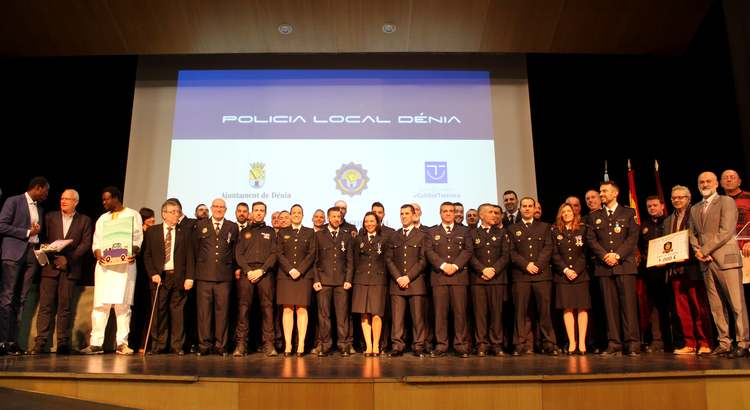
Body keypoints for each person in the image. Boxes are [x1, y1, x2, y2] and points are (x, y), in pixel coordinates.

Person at [690, 171, 749, 357]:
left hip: (726, 259)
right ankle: (724, 343)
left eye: (708, 181)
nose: (705, 184)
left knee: (736, 303)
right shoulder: (695, 208)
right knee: (716, 305)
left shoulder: (726, 201)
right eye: (701, 181)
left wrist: (704, 249)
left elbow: (726, 231)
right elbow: (692, 234)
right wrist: (698, 251)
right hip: (706, 261)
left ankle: (743, 342)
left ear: (717, 184)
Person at [80, 186, 143, 355]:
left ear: (116, 198)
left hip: (124, 266)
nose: (104, 202)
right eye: (103, 200)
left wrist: (133, 252)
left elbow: (137, 238)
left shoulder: (132, 214)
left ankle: (122, 343)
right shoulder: (102, 218)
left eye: (107, 199)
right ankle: (96, 343)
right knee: (101, 305)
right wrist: (99, 253)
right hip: (105, 268)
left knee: (122, 306)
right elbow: (97, 241)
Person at [30, 189, 92, 355]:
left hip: (69, 270)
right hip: (50, 268)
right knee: (45, 307)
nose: (63, 201)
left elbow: (85, 244)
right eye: (62, 198)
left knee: (64, 308)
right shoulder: (50, 217)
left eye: (67, 199)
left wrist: (68, 260)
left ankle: (63, 343)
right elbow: (43, 239)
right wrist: (45, 249)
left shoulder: (84, 220)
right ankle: (40, 343)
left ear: (75, 202)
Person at [586, 181, 641, 356]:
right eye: (600, 191)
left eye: (604, 191)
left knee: (628, 306)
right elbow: (591, 240)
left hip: (624, 265)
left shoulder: (628, 212)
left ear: (615, 193)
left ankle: (632, 343)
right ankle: (614, 342)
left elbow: (632, 238)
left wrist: (617, 255)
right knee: (609, 307)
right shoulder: (595, 216)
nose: (601, 194)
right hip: (604, 267)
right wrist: (605, 256)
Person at [0, 177, 49, 355]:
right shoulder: (13, 201)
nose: (46, 195)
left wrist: (40, 244)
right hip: (13, 254)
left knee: (21, 299)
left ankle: (13, 341)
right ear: (37, 188)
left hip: (31, 254)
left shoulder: (40, 209)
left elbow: (36, 233)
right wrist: (27, 232)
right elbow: (1, 225)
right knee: (7, 297)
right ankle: (2, 341)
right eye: (45, 191)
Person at [664, 185, 712, 355]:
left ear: (688, 198)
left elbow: (702, 239)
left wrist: (689, 255)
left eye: (681, 197)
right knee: (682, 309)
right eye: (674, 198)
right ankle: (689, 343)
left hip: (693, 267)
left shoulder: (697, 213)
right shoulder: (668, 220)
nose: (677, 200)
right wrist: (663, 259)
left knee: (699, 308)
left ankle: (704, 342)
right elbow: (665, 245)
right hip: (675, 270)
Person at [142, 199, 194, 355]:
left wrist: (189, 277)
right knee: (159, 312)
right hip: (160, 277)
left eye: (178, 212)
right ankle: (158, 345)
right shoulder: (153, 231)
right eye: (173, 212)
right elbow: (147, 256)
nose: (176, 214)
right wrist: (153, 273)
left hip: (178, 276)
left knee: (178, 313)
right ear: (164, 214)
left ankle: (177, 345)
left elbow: (190, 257)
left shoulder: (184, 233)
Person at [509, 197, 558, 355]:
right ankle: (519, 344)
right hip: (521, 276)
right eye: (524, 206)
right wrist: (526, 265)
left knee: (544, 312)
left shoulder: (545, 227)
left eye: (530, 206)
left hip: (541, 275)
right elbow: (511, 252)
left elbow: (548, 248)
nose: (527, 209)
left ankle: (549, 343)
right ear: (520, 208)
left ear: (535, 208)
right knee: (520, 312)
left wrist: (537, 264)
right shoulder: (512, 228)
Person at [425, 202, 473, 358]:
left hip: (459, 277)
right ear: (440, 213)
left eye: (451, 211)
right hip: (440, 277)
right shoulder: (432, 232)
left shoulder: (464, 231)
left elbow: (468, 250)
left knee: (460, 313)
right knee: (440, 314)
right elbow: (429, 251)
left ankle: (460, 345)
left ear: (454, 213)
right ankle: (442, 345)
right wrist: (444, 265)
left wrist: (456, 266)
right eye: (444, 211)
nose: (448, 213)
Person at [192, 198, 238, 356]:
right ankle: (204, 345)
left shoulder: (232, 226)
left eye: (221, 207)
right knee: (204, 313)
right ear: (211, 208)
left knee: (223, 312)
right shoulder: (200, 225)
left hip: (224, 277)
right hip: (204, 275)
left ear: (225, 209)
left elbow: (234, 250)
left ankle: (221, 346)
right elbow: (195, 250)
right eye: (216, 206)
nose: (218, 209)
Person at [233, 201, 277, 357]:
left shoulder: (271, 232)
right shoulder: (244, 231)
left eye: (262, 210)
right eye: (256, 210)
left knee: (267, 309)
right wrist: (248, 270)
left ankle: (269, 344)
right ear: (252, 212)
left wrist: (262, 270)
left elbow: (274, 254)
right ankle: (241, 345)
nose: (259, 213)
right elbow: (238, 253)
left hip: (265, 273)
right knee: (244, 309)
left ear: (265, 213)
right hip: (248, 274)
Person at [386, 204, 429, 357]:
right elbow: (389, 259)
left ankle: (418, 346)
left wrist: (408, 277)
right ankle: (397, 346)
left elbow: (423, 260)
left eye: (406, 213)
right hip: (397, 283)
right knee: (397, 318)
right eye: (401, 213)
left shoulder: (422, 235)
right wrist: (398, 277)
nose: (403, 216)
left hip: (415, 283)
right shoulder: (394, 236)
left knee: (418, 318)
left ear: (413, 215)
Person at [469, 203, 510, 356]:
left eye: (495, 212)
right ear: (481, 215)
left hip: (497, 279)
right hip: (478, 279)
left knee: (496, 313)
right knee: (480, 313)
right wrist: (482, 269)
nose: (494, 215)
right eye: (490, 212)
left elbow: (505, 255)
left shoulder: (502, 233)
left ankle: (496, 344)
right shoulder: (472, 233)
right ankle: (481, 344)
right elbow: (470, 254)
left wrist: (493, 270)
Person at [313, 207, 354, 356]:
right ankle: (325, 344)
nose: (336, 219)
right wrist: (316, 279)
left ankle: (343, 344)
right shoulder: (319, 235)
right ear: (328, 218)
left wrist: (348, 279)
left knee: (342, 315)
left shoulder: (347, 236)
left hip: (342, 282)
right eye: (334, 216)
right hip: (323, 281)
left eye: (339, 216)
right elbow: (315, 260)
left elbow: (350, 261)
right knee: (324, 315)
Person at [551, 203, 590, 355]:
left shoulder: (583, 229)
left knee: (582, 308)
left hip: (581, 275)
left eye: (569, 211)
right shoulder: (555, 231)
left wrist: (576, 270)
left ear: (574, 213)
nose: (566, 213)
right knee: (567, 308)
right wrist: (566, 270)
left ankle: (582, 342)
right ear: (560, 215)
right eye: (563, 212)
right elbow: (554, 254)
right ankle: (572, 342)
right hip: (563, 276)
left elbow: (585, 253)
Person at [277, 204, 316, 356]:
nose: (296, 214)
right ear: (290, 215)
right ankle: (288, 346)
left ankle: (300, 345)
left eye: (299, 212)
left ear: (303, 215)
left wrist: (299, 270)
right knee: (287, 309)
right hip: (286, 276)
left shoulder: (310, 232)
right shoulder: (282, 232)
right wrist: (290, 269)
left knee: (301, 309)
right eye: (294, 212)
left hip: (304, 276)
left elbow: (312, 253)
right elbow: (278, 253)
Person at [352, 212, 389, 356]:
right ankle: (368, 346)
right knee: (364, 314)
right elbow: (355, 260)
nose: (369, 224)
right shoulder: (359, 240)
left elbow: (387, 261)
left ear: (377, 222)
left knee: (376, 314)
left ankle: (376, 345)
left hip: (378, 281)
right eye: (366, 221)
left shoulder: (384, 239)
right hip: (361, 281)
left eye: (372, 221)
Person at [636, 196, 670, 353]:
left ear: (662, 206)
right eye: (649, 206)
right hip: (650, 273)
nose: (652, 208)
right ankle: (657, 340)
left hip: (670, 271)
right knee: (654, 307)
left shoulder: (669, 222)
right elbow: (639, 249)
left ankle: (674, 340)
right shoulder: (643, 227)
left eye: (655, 205)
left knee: (671, 306)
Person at [721, 170, 750, 310]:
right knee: (735, 297)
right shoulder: (717, 203)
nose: (728, 179)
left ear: (739, 181)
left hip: (747, 252)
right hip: (728, 254)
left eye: (732, 177)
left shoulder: (749, 197)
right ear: (720, 183)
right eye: (725, 178)